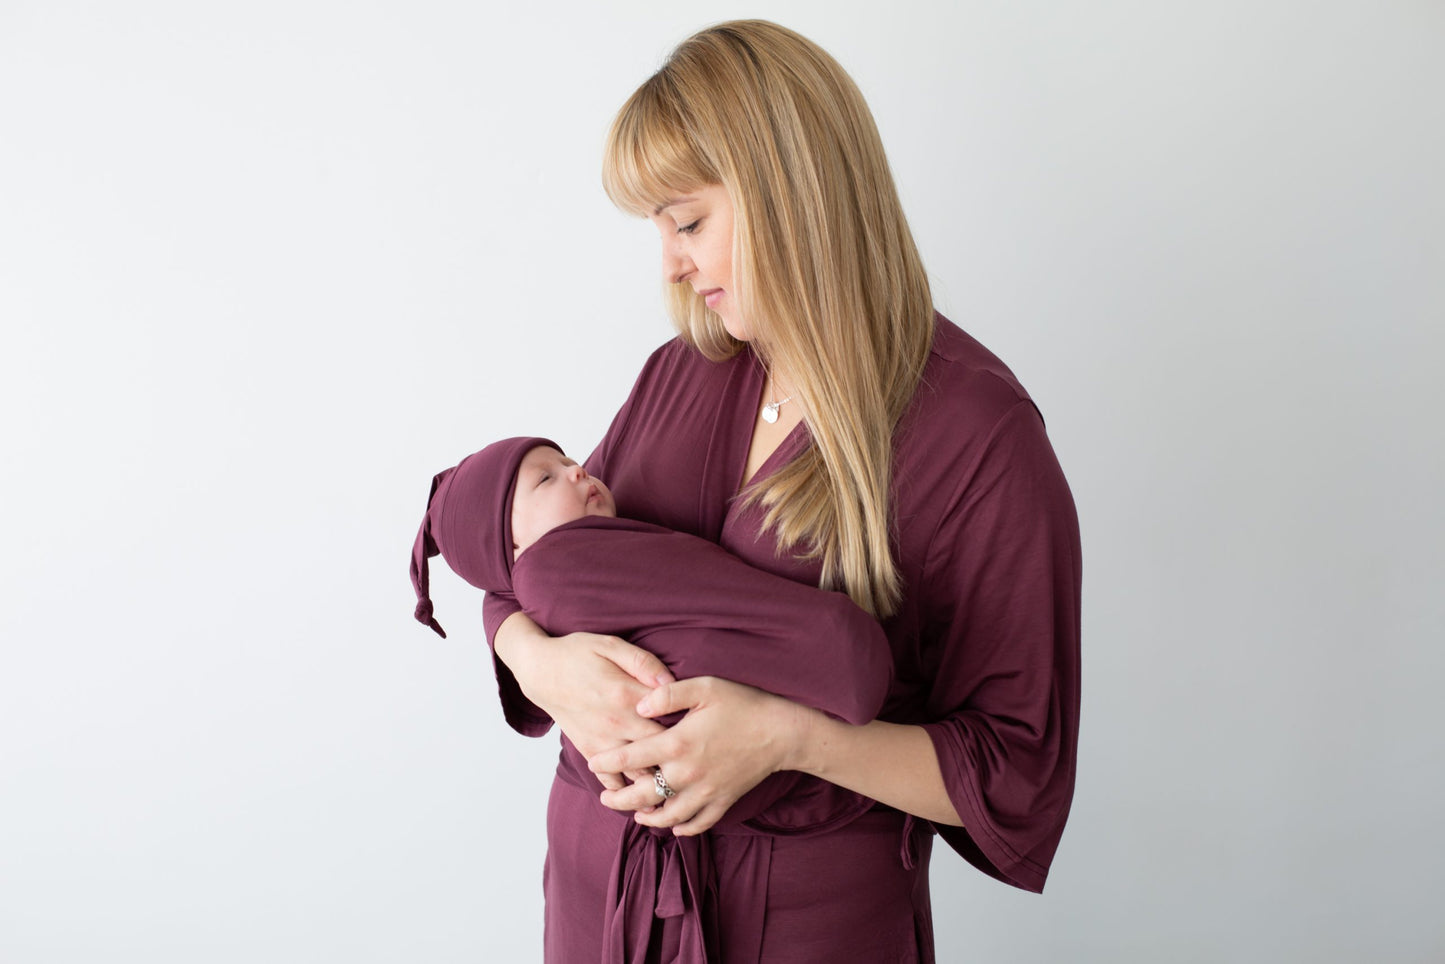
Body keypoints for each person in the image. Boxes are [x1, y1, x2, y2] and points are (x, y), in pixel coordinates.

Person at [484, 19, 1082, 964]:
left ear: (787, 193)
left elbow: (1016, 768)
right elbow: (526, 553)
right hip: (599, 902)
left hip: (806, 928)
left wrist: (791, 739)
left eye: (687, 223)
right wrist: (535, 661)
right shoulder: (678, 375)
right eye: (658, 230)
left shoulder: (977, 436)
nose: (670, 263)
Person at [411, 436, 897, 960]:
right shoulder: (553, 570)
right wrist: (528, 656)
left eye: (568, 460)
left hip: (687, 843)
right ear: (510, 550)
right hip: (645, 855)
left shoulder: (560, 571)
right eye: (547, 478)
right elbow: (835, 652)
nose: (578, 471)